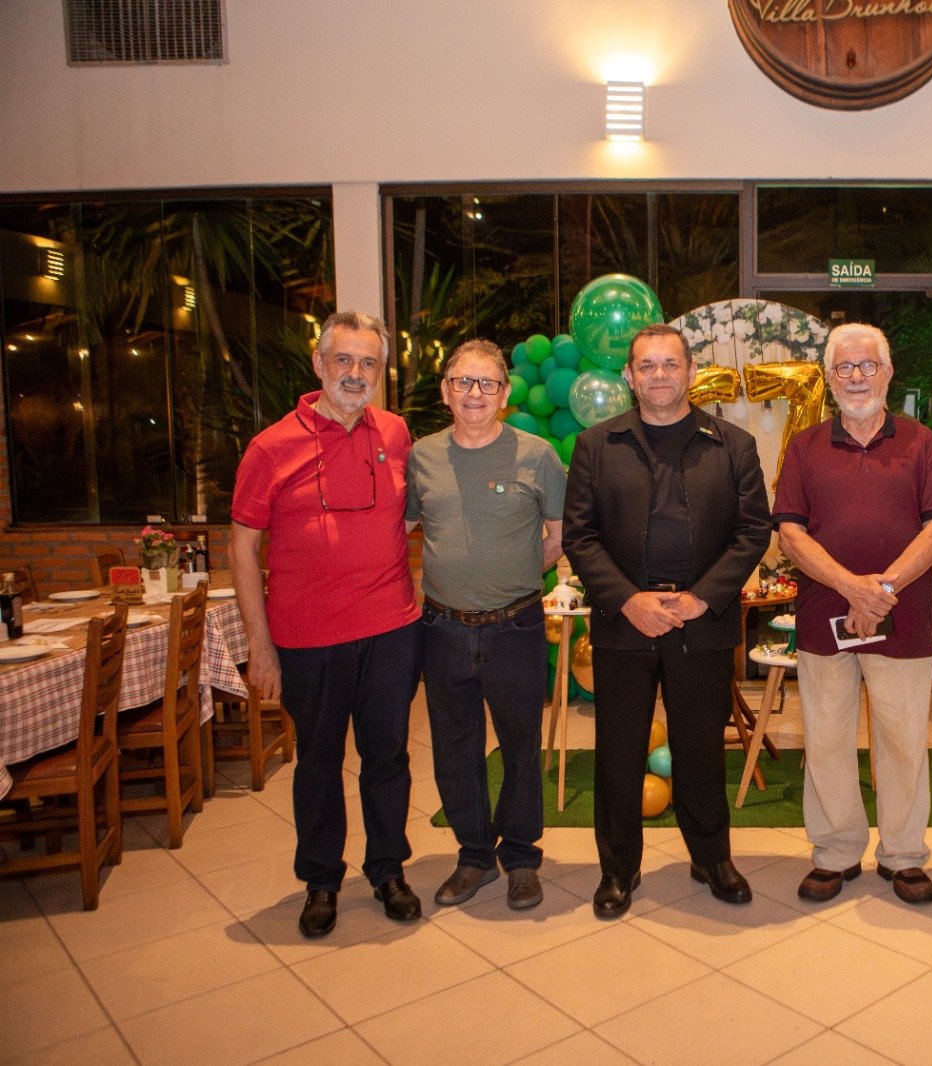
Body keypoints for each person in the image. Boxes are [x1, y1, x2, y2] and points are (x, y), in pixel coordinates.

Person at [562, 323, 771, 919]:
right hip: (625, 622)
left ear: (691, 372)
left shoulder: (732, 445)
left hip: (701, 621)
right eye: (647, 365)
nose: (659, 375)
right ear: (629, 376)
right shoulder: (597, 446)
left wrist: (703, 598)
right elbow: (580, 535)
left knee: (700, 748)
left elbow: (753, 531)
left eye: (670, 364)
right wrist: (629, 601)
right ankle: (617, 869)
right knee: (619, 750)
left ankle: (712, 858)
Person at [231, 311, 423, 939]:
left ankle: (388, 870)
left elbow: (412, 515)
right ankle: (321, 880)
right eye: (344, 359)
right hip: (307, 639)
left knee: (388, 757)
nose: (356, 373)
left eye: (369, 362)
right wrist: (259, 645)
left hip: (391, 629)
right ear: (318, 364)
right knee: (317, 762)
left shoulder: (395, 433)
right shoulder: (270, 447)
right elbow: (242, 547)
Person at [773, 323, 932, 905]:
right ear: (830, 378)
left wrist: (882, 589)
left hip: (903, 615)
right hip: (823, 614)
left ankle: (903, 855)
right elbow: (790, 534)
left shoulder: (921, 442)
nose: (857, 377)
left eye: (867, 365)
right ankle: (835, 852)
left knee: (903, 739)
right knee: (826, 739)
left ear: (888, 372)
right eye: (845, 367)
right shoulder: (803, 446)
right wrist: (852, 588)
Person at [405, 339, 566, 912]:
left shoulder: (538, 456)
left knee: (520, 745)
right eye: (463, 382)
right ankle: (474, 855)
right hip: (443, 629)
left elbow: (560, 535)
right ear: (445, 391)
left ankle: (520, 858)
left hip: (515, 627)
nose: (474, 393)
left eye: (487, 383)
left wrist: (515, 574)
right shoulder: (421, 456)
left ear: (504, 393)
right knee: (455, 747)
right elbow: (401, 530)